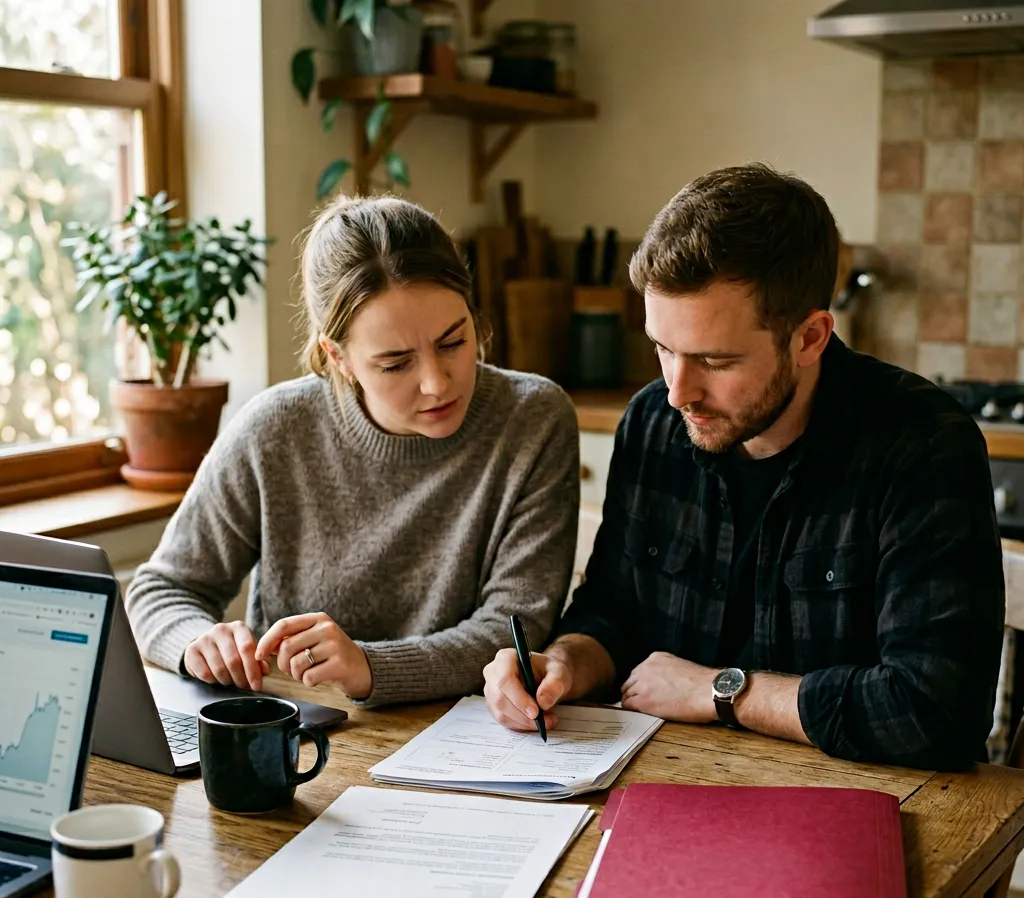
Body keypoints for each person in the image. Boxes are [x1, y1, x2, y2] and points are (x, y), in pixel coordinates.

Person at [483, 163, 1004, 770]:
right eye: (663, 349)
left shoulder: (923, 444)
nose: (678, 391)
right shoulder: (653, 422)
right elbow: (614, 611)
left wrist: (724, 692)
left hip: (863, 799)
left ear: (809, 338)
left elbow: (937, 713)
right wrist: (564, 664)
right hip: (672, 781)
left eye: (715, 361)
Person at [127, 195, 579, 707]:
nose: (436, 383)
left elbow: (514, 627)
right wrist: (197, 643)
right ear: (337, 357)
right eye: (395, 364)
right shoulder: (274, 429)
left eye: (453, 342)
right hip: (301, 730)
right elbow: (161, 590)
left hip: (469, 732)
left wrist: (370, 667)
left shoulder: (533, 419)